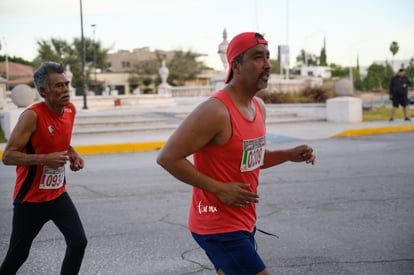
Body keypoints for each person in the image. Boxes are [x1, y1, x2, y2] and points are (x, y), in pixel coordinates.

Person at [156, 32, 316, 275]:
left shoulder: (259, 107)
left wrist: (288, 154)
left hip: (243, 220)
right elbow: (167, 158)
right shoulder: (216, 110)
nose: (267, 64)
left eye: (268, 57)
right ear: (236, 66)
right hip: (216, 224)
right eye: (257, 57)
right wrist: (219, 188)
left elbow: (252, 160)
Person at [0, 62, 87, 275]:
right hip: (30, 200)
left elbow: (59, 138)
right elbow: (8, 156)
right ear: (43, 91)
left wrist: (72, 152)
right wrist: (43, 159)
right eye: (58, 86)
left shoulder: (70, 110)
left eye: (66, 84)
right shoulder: (32, 116)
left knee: (78, 243)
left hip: (57, 195)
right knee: (18, 254)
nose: (65, 89)